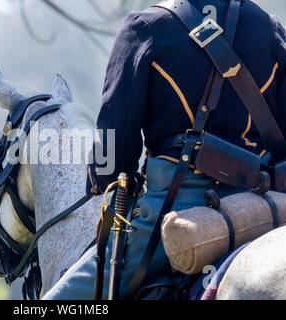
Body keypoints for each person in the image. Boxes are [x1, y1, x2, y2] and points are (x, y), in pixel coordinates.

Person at [43, 0, 286, 300]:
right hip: (265, 205)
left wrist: (100, 181)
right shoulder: (270, 28)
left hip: (174, 209)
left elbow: (112, 155)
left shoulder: (145, 28)